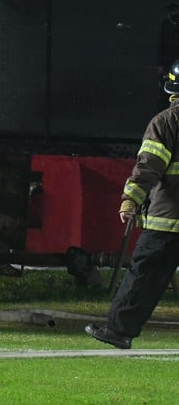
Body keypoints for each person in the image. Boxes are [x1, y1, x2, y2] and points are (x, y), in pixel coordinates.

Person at [85, 59, 179, 349]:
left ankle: (119, 331)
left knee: (145, 277)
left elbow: (148, 166)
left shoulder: (166, 122)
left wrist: (130, 200)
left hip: (168, 221)